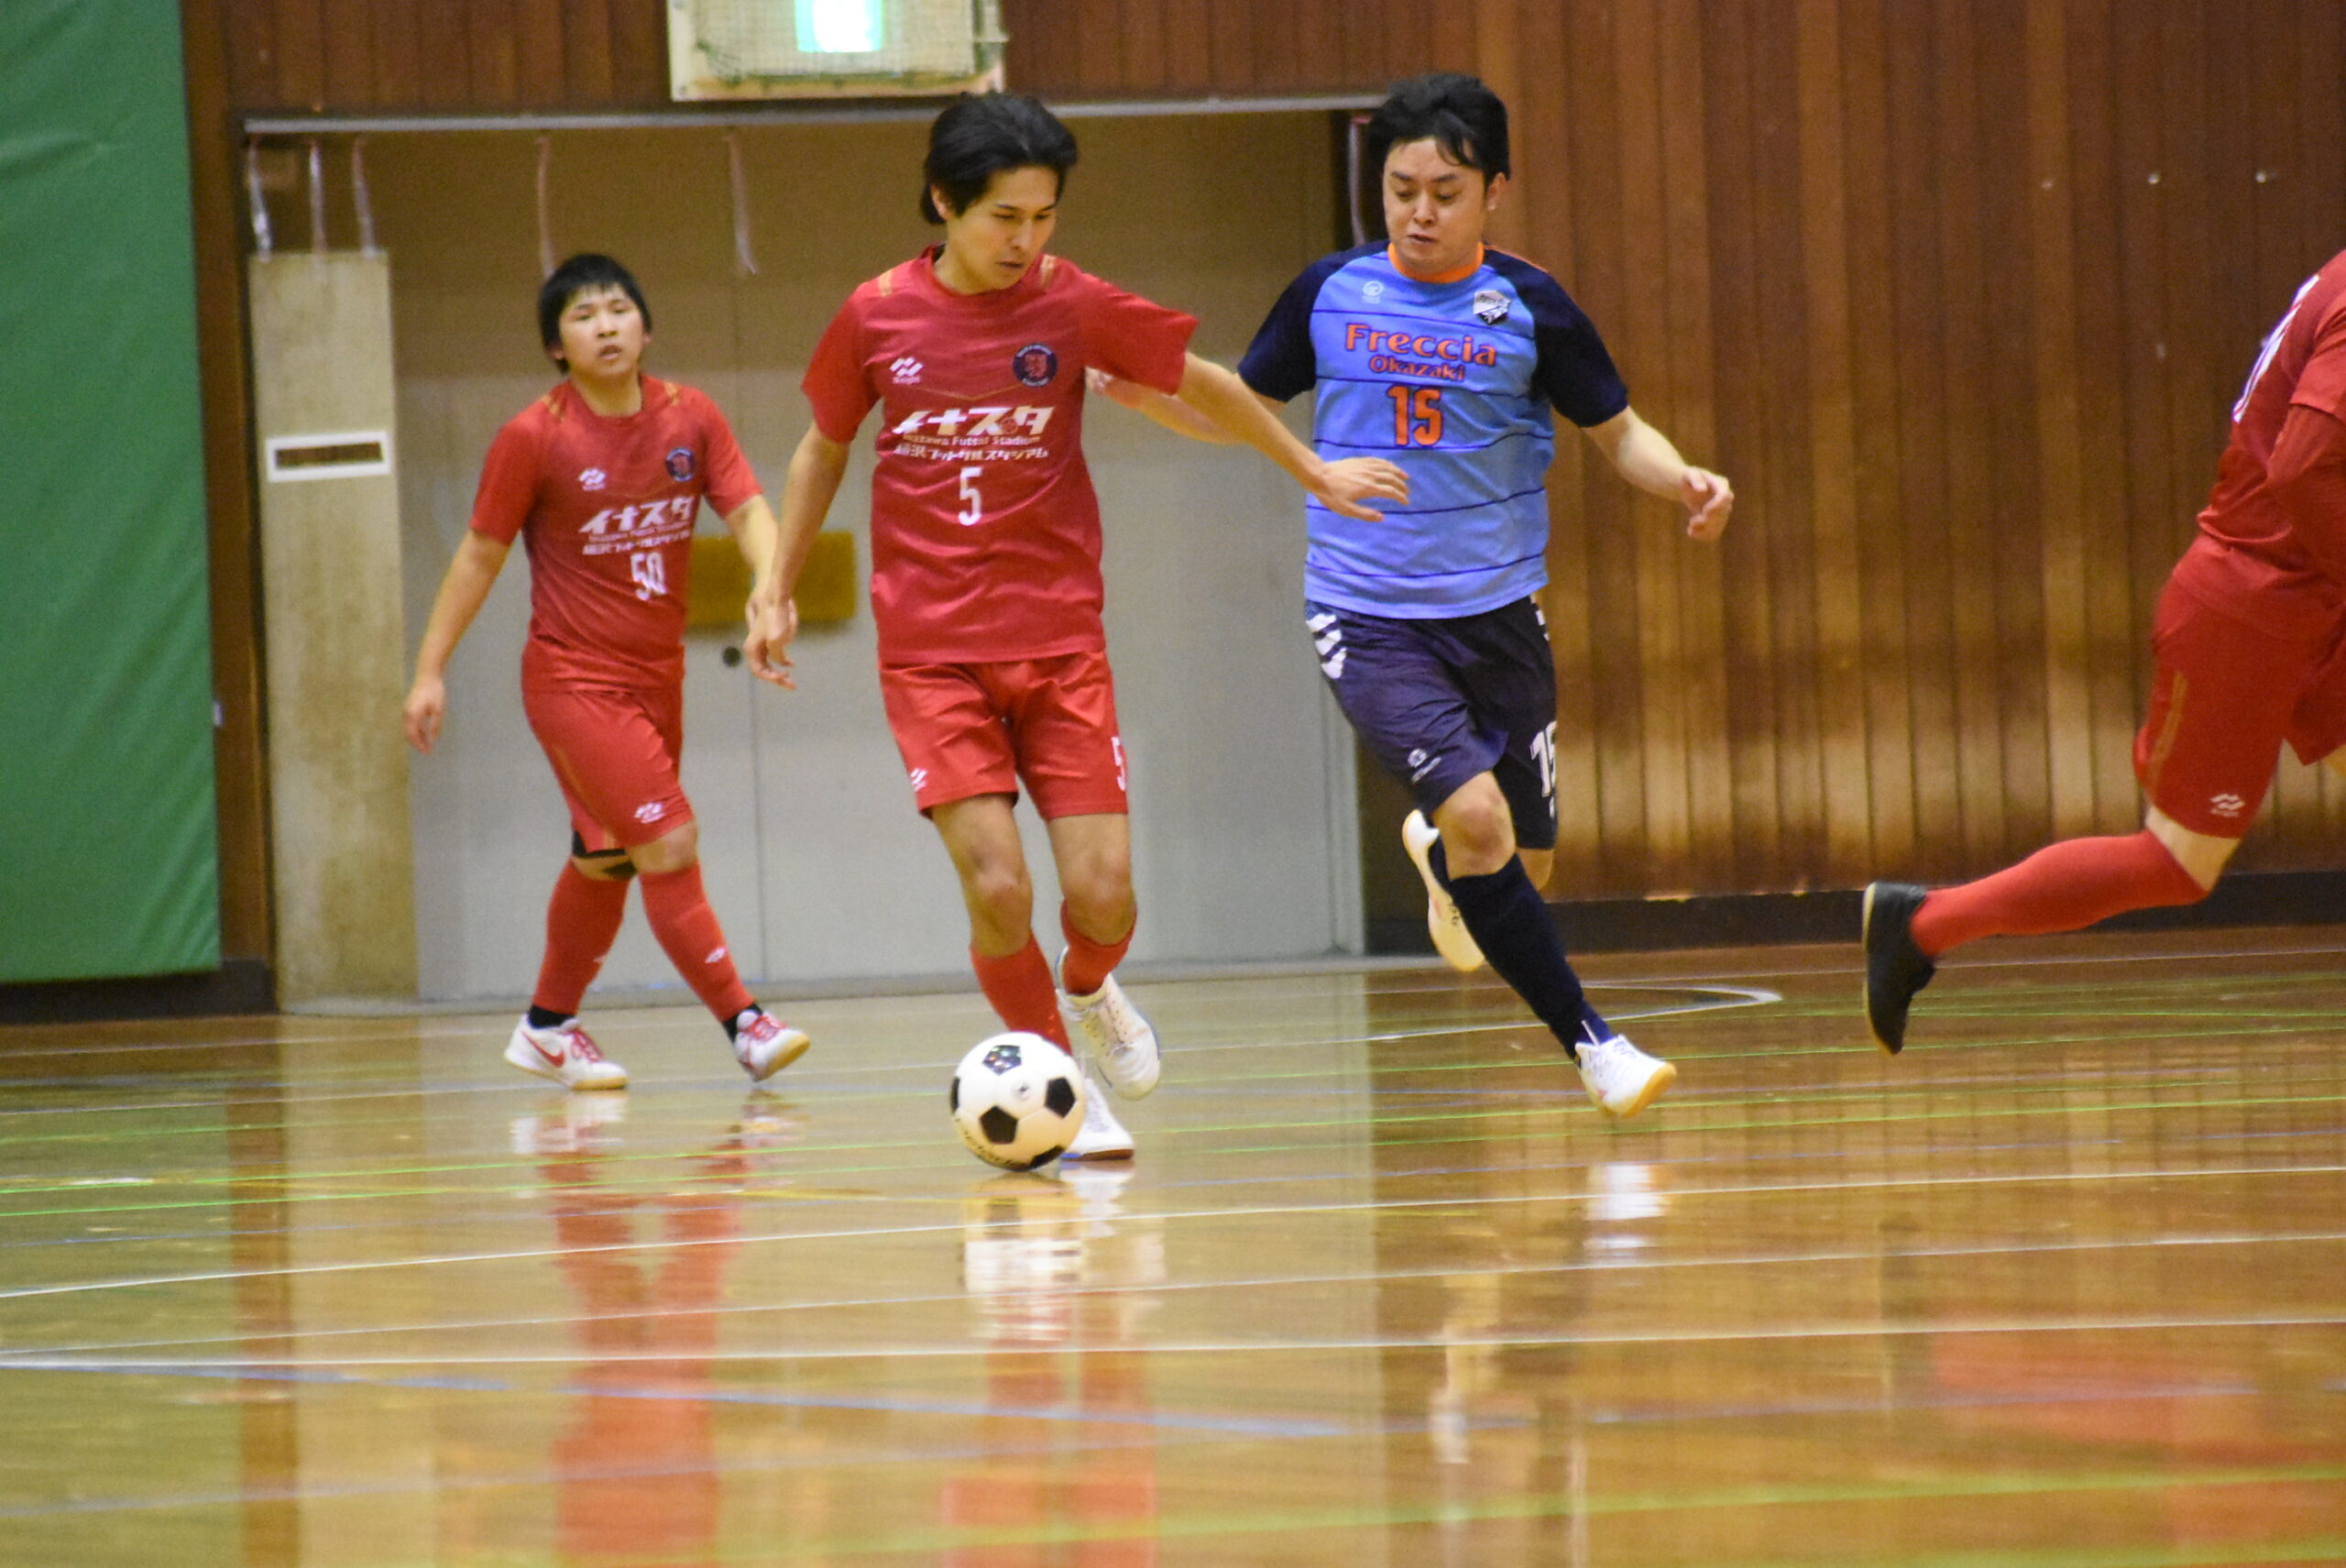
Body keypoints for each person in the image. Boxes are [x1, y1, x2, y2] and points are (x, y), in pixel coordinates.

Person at [746, 93, 1405, 1160]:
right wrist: (776, 582)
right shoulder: (875, 316)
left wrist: (1310, 469)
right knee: (999, 886)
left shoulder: (1069, 302)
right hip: (931, 654)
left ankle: (1091, 990)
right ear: (944, 203)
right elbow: (822, 445)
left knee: (1102, 897)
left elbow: (1206, 384)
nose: (1026, 239)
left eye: (1044, 215)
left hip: (1059, 641)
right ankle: (1060, 1079)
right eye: (1004, 217)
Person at [1094, 72, 1732, 1120]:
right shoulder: (1329, 293)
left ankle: (1442, 860)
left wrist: (1684, 481)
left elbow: (1619, 434)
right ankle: (1596, 1046)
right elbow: (1241, 409)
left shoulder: (1532, 306)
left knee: (1521, 860)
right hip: (1368, 612)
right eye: (1400, 191)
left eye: (1444, 192)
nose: (1419, 213)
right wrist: (1149, 401)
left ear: (1494, 192)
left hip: (1499, 613)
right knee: (1480, 818)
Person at [1864, 250, 2346, 1053]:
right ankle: (1920, 923)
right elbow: (2302, 469)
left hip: (2313, 599)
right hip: (2254, 607)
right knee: (2176, 863)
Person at [403, 253, 809, 1091]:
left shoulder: (691, 416)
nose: (606, 326)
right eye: (584, 316)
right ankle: (745, 1023)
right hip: (573, 682)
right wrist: (429, 669)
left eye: (619, 309)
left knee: (609, 856)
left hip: (657, 679)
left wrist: (771, 592)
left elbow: (747, 509)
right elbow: (479, 555)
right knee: (669, 839)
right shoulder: (534, 436)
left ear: (646, 327)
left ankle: (546, 1027)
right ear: (557, 345)